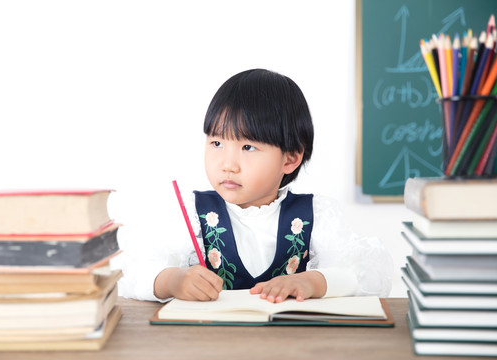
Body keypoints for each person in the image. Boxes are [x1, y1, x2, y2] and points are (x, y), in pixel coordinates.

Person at [121, 68, 393, 303]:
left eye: (248, 147)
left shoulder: (315, 215)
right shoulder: (192, 215)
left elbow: (369, 276)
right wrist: (174, 281)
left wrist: (313, 282)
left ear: (290, 158)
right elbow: (135, 273)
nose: (228, 164)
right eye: (217, 143)